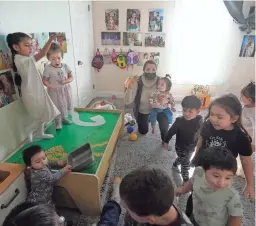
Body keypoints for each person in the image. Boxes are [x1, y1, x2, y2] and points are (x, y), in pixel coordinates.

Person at [192, 93, 254, 200]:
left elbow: (246, 161)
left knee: (217, 201)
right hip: (203, 169)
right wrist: (196, 160)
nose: (213, 119)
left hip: (222, 176)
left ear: (234, 119)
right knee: (196, 193)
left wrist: (250, 184)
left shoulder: (240, 137)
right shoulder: (207, 125)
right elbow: (200, 144)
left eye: (219, 117)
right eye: (211, 114)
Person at [6, 32, 60, 140]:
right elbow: (43, 53)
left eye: (31, 45)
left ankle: (39, 132)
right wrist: (50, 40)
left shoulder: (23, 58)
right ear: (16, 47)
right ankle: (31, 129)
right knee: (42, 112)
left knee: (45, 112)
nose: (30, 48)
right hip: (31, 92)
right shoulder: (21, 59)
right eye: (27, 45)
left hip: (36, 89)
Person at [176, 147, 242, 226]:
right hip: (195, 216)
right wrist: (183, 189)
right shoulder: (199, 172)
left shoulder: (231, 195)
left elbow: (236, 217)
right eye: (216, 176)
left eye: (228, 178)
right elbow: (192, 181)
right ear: (204, 170)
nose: (221, 183)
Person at [120, 166, 193, 226]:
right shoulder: (160, 202)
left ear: (150, 220)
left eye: (128, 209)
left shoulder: (145, 209)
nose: (127, 211)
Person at [124, 60, 169, 143]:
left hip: (157, 109)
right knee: (143, 131)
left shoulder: (160, 81)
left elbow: (168, 95)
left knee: (165, 122)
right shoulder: (138, 81)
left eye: (153, 69)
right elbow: (127, 102)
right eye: (148, 69)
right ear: (143, 70)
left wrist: (165, 100)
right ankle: (147, 119)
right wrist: (129, 88)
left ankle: (165, 140)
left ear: (156, 70)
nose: (151, 71)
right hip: (143, 110)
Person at [163, 95, 203, 182]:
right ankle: (185, 177)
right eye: (184, 110)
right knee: (185, 162)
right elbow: (171, 131)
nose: (186, 114)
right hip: (180, 146)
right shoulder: (179, 121)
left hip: (192, 147)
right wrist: (166, 141)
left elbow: (202, 132)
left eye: (190, 111)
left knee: (183, 158)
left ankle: (175, 163)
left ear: (198, 111)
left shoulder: (200, 121)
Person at [42, 43, 73, 130]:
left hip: (65, 90)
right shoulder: (48, 68)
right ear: (49, 59)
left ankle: (64, 118)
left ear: (61, 57)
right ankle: (58, 122)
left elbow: (71, 77)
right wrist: (49, 85)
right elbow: (44, 80)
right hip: (54, 92)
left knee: (64, 105)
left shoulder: (65, 66)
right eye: (53, 59)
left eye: (59, 58)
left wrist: (66, 81)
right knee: (57, 106)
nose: (57, 61)